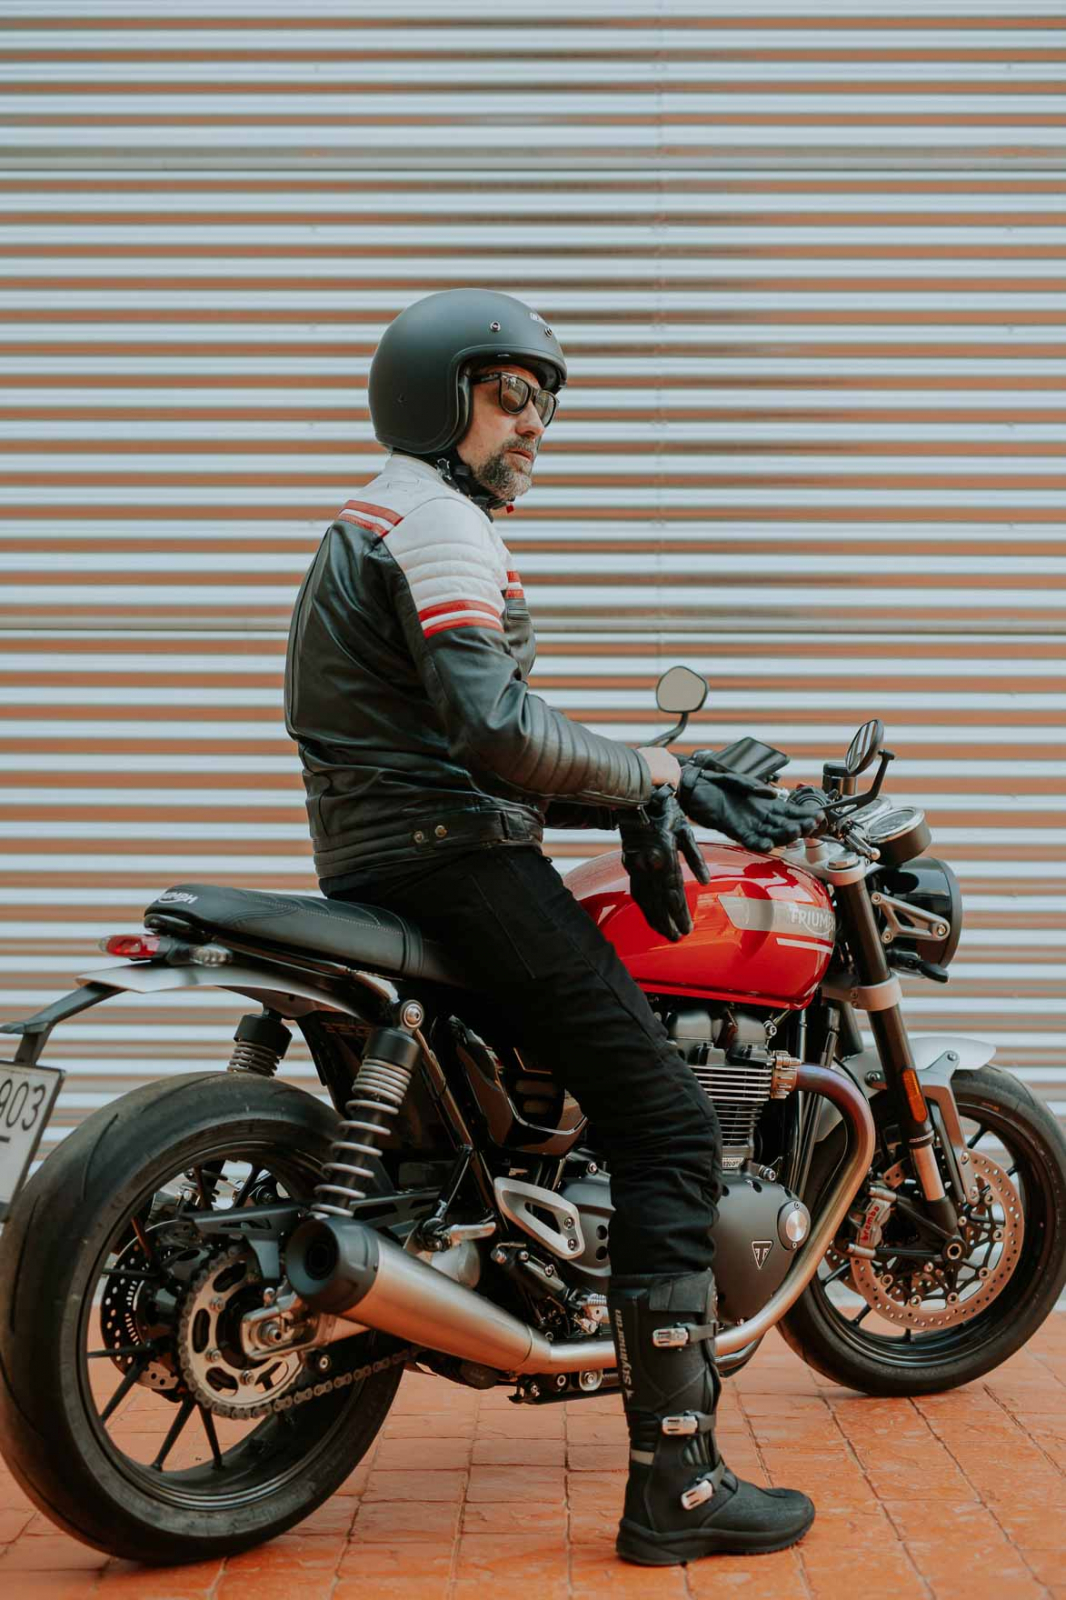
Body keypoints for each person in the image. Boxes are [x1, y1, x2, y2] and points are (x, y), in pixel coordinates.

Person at [284, 288, 819, 1567]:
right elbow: (493, 728)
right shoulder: (440, 521)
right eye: (512, 393)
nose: (535, 423)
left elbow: (463, 734)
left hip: (391, 853)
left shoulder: (375, 517)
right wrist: (654, 772)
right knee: (669, 1123)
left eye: (547, 403)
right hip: (457, 861)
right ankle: (678, 1481)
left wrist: (637, 787)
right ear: (440, 396)